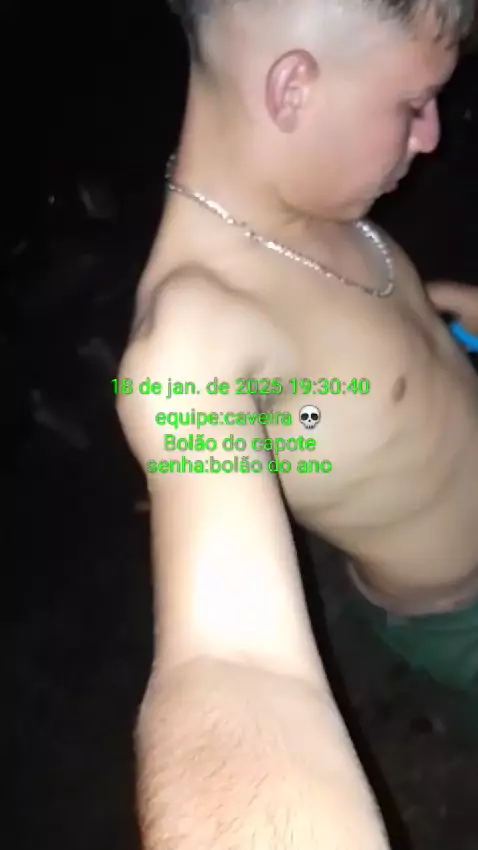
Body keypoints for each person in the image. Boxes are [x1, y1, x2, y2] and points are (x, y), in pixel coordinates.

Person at [117, 0, 478, 847]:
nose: (431, 136)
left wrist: (450, 314)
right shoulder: (192, 346)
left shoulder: (311, 206)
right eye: (413, 104)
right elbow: (232, 665)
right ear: (293, 90)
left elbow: (367, 344)